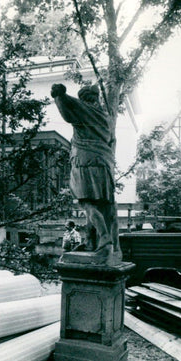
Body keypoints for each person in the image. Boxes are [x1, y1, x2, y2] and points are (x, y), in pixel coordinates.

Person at [51, 83, 121, 264]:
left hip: (85, 162)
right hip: (104, 164)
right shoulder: (105, 117)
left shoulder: (86, 110)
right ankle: (91, 241)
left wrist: (59, 95)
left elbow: (68, 110)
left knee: (88, 203)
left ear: (85, 99)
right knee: (101, 204)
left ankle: (105, 239)